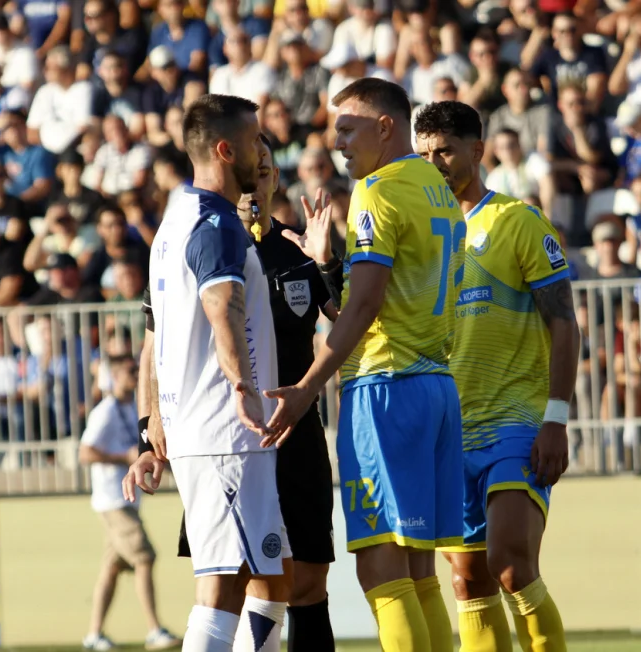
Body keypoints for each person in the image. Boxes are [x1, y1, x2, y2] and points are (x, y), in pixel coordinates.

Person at [264, 78, 465, 651]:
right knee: (418, 573)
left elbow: (366, 306)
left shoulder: (377, 192)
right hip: (434, 386)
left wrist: (305, 387)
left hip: (385, 388)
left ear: (386, 126)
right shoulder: (436, 187)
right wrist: (329, 265)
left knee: (380, 573)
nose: (339, 145)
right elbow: (375, 294)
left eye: (348, 130)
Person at [127, 134, 343, 651]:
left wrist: (328, 262)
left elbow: (350, 323)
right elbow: (152, 348)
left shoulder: (296, 249)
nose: (257, 179)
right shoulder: (205, 238)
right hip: (231, 435)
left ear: (270, 180)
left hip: (296, 436)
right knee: (234, 580)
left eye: (267, 169)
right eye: (254, 165)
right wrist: (146, 431)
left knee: (300, 582)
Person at [415, 100, 577, 652]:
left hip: (516, 419)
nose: (434, 163)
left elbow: (565, 323)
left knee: (509, 564)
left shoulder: (517, 220)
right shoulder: (424, 237)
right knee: (468, 581)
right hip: (449, 429)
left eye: (445, 151)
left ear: (477, 151)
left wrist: (556, 419)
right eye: (424, 154)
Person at [146, 94, 286, 652]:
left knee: (263, 576)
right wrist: (244, 390)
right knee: (223, 589)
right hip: (224, 431)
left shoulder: (175, 220)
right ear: (226, 150)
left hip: (209, 431)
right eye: (256, 141)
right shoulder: (216, 221)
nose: (263, 151)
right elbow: (221, 305)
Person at [78, 355, 180, 651]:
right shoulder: (106, 410)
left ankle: (94, 635)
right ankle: (153, 630)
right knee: (144, 557)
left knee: (111, 570)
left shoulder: (127, 408)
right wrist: (121, 458)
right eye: (127, 372)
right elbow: (85, 453)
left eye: (135, 372)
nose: (134, 377)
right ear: (113, 377)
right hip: (113, 501)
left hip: (123, 502)